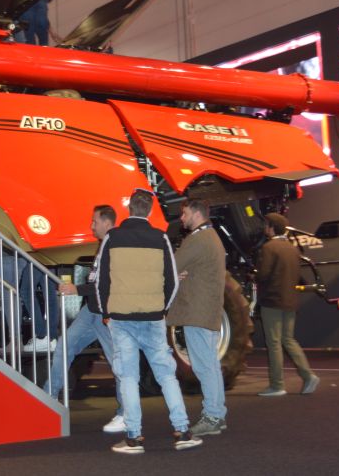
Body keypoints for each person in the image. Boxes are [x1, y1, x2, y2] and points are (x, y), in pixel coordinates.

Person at [96, 188, 202, 454]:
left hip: (121, 318)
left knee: (128, 377)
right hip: (154, 318)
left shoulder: (112, 237)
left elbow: (101, 280)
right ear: (150, 210)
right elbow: (172, 280)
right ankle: (183, 431)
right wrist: (162, 309)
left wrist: (106, 312)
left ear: (129, 208)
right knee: (166, 376)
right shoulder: (160, 238)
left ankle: (134, 437)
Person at [46, 204, 125, 433]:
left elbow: (106, 283)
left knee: (119, 363)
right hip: (91, 311)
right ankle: (49, 396)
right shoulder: (104, 243)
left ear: (107, 223)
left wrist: (76, 290)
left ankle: (126, 413)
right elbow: (96, 279)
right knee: (64, 346)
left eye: (94, 221)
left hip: (105, 314)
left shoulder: (114, 245)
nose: (91, 226)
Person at [166, 198, 228, 436]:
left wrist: (177, 273)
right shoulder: (212, 238)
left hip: (197, 313)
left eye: (184, 214)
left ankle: (212, 416)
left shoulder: (197, 240)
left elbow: (170, 266)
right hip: (207, 312)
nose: (182, 218)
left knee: (204, 367)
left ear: (196, 213)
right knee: (210, 365)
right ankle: (217, 414)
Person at [256, 212, 319, 396]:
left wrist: (253, 274)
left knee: (274, 343)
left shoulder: (269, 247)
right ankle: (308, 376)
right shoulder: (293, 249)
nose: (264, 228)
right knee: (289, 340)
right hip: (290, 301)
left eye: (266, 225)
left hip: (272, 301)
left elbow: (263, 275)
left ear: (271, 227)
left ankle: (277, 386)